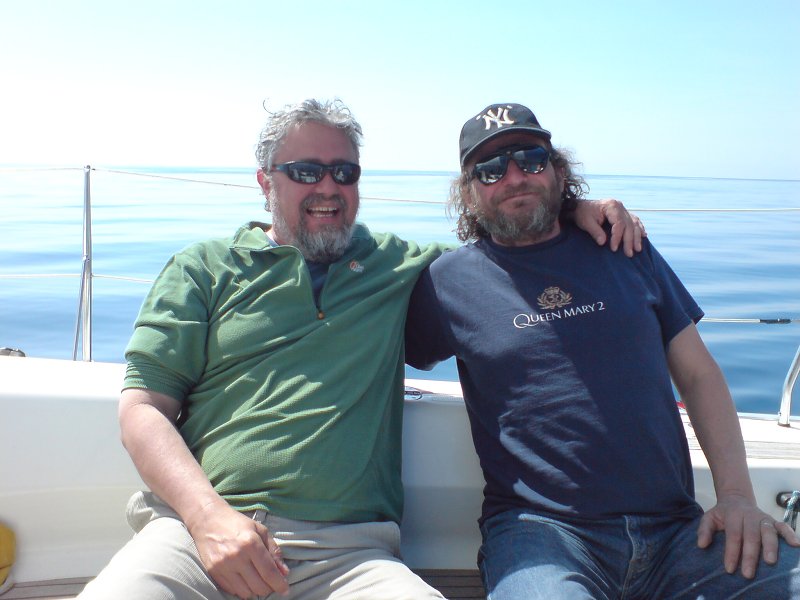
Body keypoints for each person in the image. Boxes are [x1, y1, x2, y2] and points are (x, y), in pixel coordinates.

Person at [78, 99, 642, 600]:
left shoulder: (400, 265)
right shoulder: (202, 268)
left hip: (348, 558)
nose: (328, 187)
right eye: (306, 172)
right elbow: (143, 409)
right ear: (265, 182)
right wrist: (208, 519)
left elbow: (504, 244)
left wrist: (571, 211)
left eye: (344, 172)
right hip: (195, 536)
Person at [405, 102, 800, 599]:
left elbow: (699, 375)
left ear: (557, 170)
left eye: (530, 159)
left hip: (678, 532)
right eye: (490, 169)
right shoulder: (449, 282)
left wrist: (737, 496)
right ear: (468, 192)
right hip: (541, 535)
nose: (514, 177)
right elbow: (376, 346)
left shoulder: (624, 247)